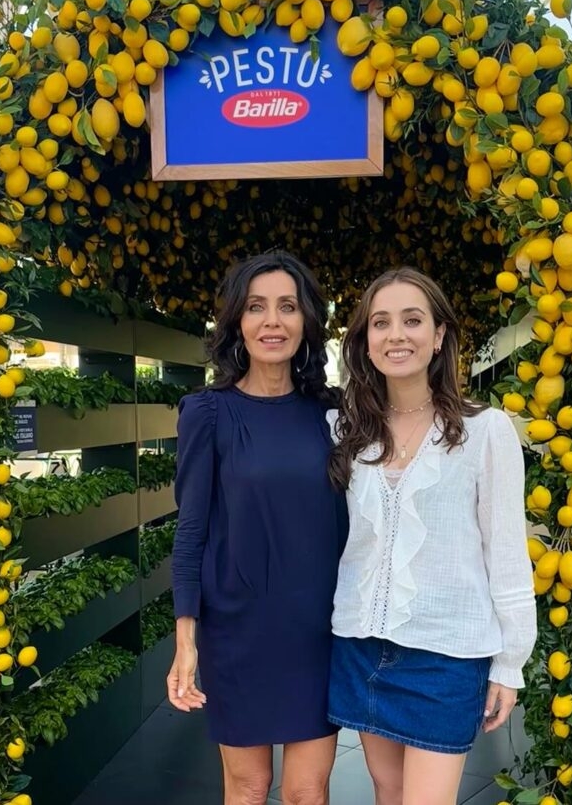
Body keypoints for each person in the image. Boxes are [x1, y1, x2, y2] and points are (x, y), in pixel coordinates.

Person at [326, 267, 536, 805]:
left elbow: (507, 555)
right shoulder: (346, 429)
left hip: (447, 652)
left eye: (412, 320)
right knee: (387, 793)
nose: (396, 335)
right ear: (365, 341)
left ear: (439, 335)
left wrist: (510, 663)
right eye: (381, 323)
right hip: (360, 643)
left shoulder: (486, 431)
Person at [168, 251, 348, 805]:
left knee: (306, 791)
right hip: (237, 630)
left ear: (306, 322)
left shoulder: (337, 413)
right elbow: (190, 530)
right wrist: (185, 640)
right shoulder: (207, 412)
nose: (272, 321)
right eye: (256, 308)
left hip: (318, 629)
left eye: (287, 307)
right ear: (237, 323)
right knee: (247, 788)